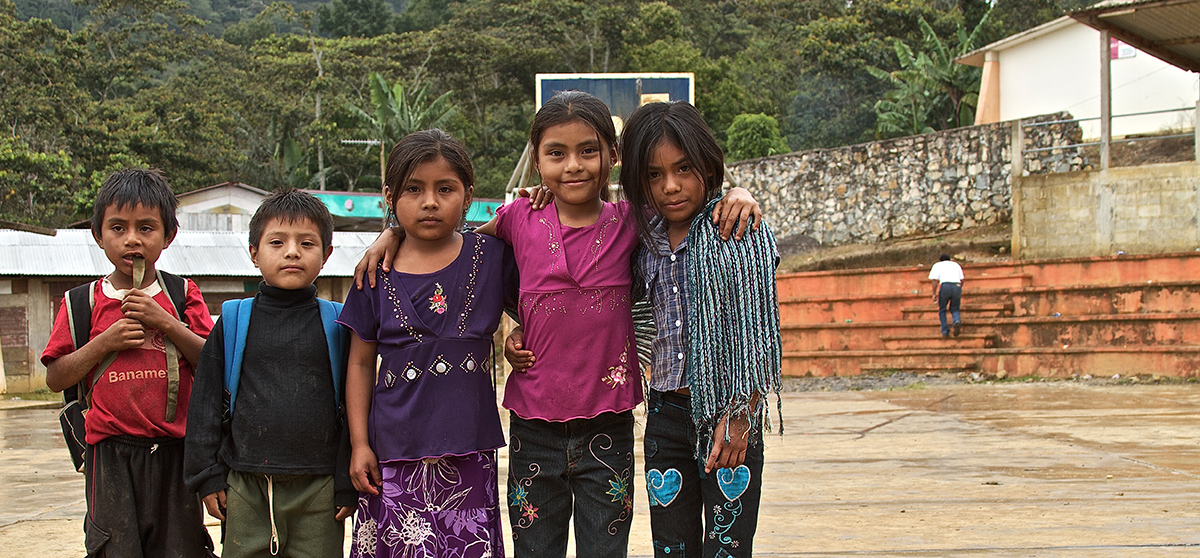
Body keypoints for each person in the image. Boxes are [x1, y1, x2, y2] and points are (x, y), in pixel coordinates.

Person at [354, 91, 762, 558]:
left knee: (604, 551)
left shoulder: (634, 222)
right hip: (534, 429)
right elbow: (454, 245)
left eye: (588, 150)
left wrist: (739, 193)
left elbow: (693, 206)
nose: (573, 166)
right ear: (536, 161)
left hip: (608, 423)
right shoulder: (518, 218)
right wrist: (393, 233)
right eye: (556, 153)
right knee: (536, 549)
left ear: (612, 156)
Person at [340, 129, 518, 558]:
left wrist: (520, 334)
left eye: (446, 189)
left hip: (469, 445)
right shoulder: (373, 272)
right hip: (391, 452)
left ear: (469, 194)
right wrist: (360, 444)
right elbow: (361, 364)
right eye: (413, 190)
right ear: (389, 197)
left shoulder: (492, 256)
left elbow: (537, 306)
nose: (430, 202)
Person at [41, 168, 216, 557]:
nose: (132, 239)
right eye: (118, 228)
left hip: (175, 452)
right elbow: (56, 377)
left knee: (181, 547)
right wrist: (104, 342)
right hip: (110, 455)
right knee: (114, 548)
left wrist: (165, 322)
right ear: (98, 234)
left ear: (168, 235)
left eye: (146, 228)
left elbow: (211, 363)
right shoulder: (80, 303)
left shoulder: (181, 294)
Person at [184, 189, 355, 557]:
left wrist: (345, 481)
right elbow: (206, 403)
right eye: (277, 242)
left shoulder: (339, 323)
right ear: (254, 253)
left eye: (307, 243)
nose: (292, 251)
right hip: (245, 485)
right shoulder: (232, 320)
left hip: (320, 487)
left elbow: (353, 409)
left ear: (325, 256)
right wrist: (207, 476)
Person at [929, 254, 964, 337]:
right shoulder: (956, 265)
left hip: (945, 286)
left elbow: (934, 281)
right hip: (957, 286)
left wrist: (934, 294)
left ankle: (945, 330)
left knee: (942, 309)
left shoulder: (937, 265)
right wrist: (958, 288)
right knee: (955, 308)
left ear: (940, 260)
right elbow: (962, 280)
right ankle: (956, 321)